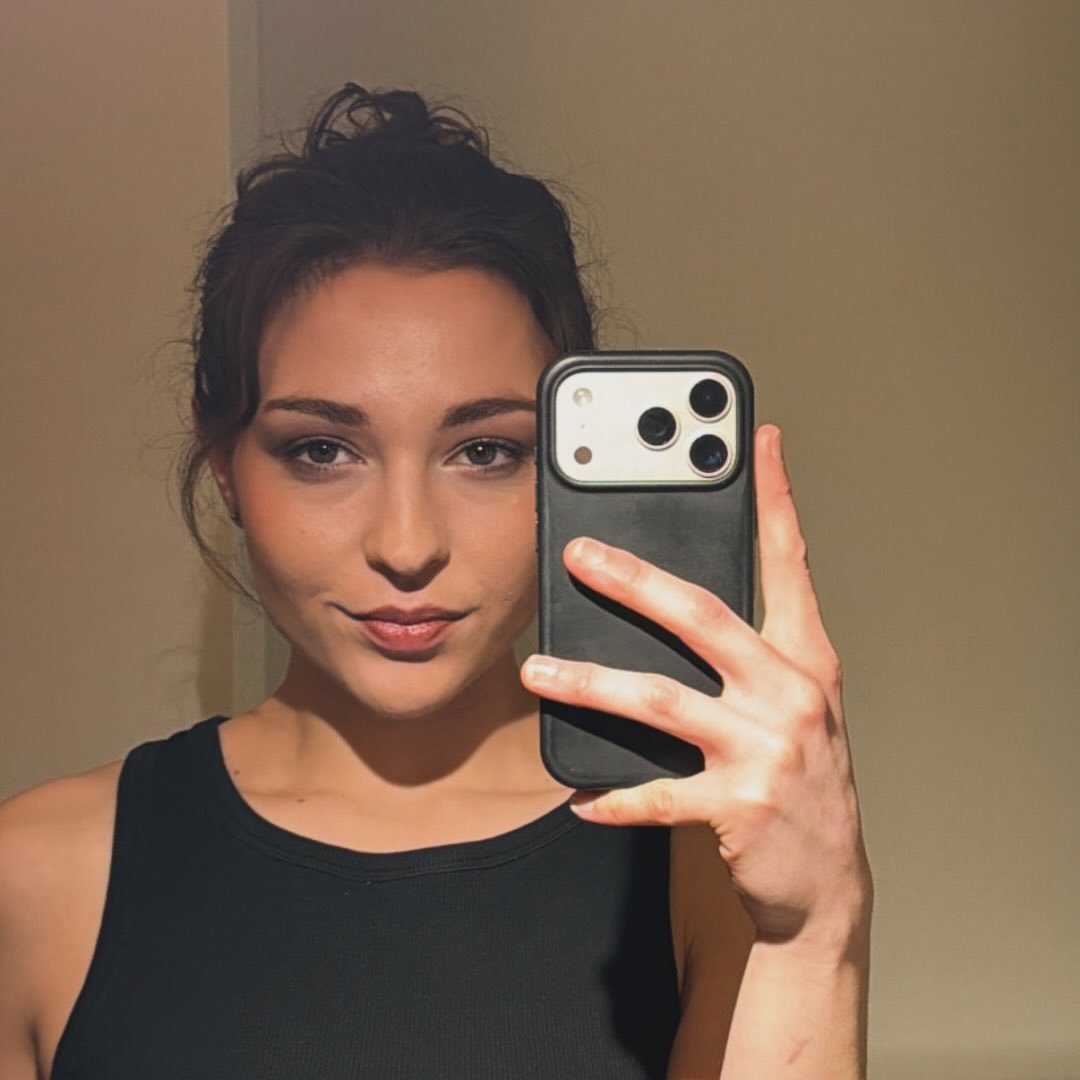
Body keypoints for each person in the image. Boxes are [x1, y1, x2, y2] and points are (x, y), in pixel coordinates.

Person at [0, 85, 872, 1079]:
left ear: (565, 473)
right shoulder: (38, 876)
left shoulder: (702, 859)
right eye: (322, 450)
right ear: (227, 468)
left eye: (486, 452)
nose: (407, 545)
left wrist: (820, 932)